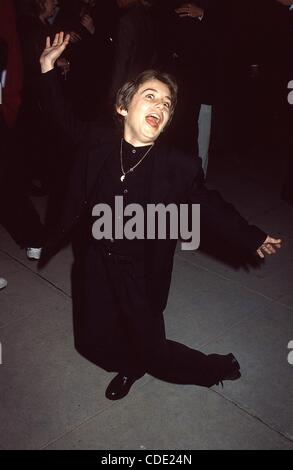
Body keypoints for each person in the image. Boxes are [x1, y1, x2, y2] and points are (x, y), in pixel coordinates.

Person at [39, 32, 282, 401]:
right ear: (124, 106)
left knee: (152, 349)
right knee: (91, 338)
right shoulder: (96, 140)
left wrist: (251, 236)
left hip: (140, 269)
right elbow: (60, 119)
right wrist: (47, 69)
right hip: (94, 262)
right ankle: (128, 363)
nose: (161, 106)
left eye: (167, 104)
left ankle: (214, 367)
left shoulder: (176, 167)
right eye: (150, 96)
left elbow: (209, 206)